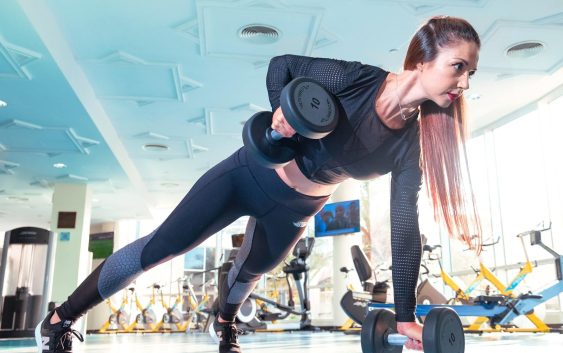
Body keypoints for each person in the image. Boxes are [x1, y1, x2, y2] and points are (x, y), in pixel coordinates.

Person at [36, 16, 482, 353]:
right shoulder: (358, 80)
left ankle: (225, 322)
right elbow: (282, 66)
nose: (464, 82)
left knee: (250, 271)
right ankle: (59, 318)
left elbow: (405, 227)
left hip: (296, 211)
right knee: (160, 248)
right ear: (422, 60)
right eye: (458, 66)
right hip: (248, 175)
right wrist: (280, 114)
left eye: (470, 74)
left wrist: (406, 317)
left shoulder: (411, 145)